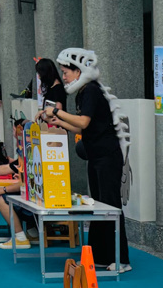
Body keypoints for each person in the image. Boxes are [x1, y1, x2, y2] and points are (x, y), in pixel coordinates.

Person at [44, 47, 130, 272]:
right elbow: (82, 127)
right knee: (99, 206)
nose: (64, 77)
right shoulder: (84, 91)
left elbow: (83, 122)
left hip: (107, 157)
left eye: (66, 72)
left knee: (111, 206)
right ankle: (100, 256)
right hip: (96, 156)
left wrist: (57, 112)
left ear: (78, 70)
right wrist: (59, 122)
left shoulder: (91, 90)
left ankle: (121, 259)